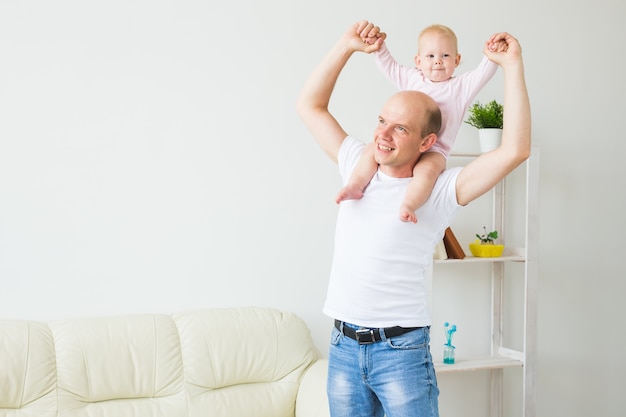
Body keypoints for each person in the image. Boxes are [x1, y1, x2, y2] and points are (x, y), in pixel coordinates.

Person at [296, 20, 529, 417]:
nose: (383, 134)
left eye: (400, 128)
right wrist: (346, 46)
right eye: (382, 120)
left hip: (400, 352)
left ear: (427, 142)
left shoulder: (439, 190)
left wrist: (512, 65)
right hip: (342, 346)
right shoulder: (357, 162)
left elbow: (515, 151)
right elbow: (309, 105)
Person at [335, 24, 499, 223]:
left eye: (445, 56)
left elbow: (482, 74)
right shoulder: (412, 78)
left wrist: (492, 55)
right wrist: (379, 46)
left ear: (457, 60)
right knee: (370, 150)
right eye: (430, 56)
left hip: (436, 150)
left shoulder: (461, 87)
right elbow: (389, 66)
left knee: (427, 172)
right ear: (418, 61)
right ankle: (355, 185)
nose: (438, 61)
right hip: (405, 145)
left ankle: (409, 204)